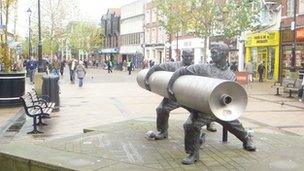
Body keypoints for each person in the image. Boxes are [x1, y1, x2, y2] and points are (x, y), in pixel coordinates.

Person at [167, 43, 256, 165]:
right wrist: (170, 86)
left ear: (224, 54)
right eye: (211, 52)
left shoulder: (231, 75)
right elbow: (181, 71)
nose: (211, 55)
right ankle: (192, 154)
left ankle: (247, 139)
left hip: (221, 108)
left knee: (236, 126)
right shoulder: (204, 68)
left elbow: (233, 94)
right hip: (205, 109)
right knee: (190, 125)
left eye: (214, 52)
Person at [145, 49, 217, 141]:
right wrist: (147, 79)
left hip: (191, 97)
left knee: (201, 112)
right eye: (187, 56)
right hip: (175, 96)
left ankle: (208, 124)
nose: (189, 58)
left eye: (191, 56)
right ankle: (163, 132)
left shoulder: (198, 68)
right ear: (182, 56)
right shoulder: (173, 65)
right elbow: (155, 67)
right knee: (161, 109)